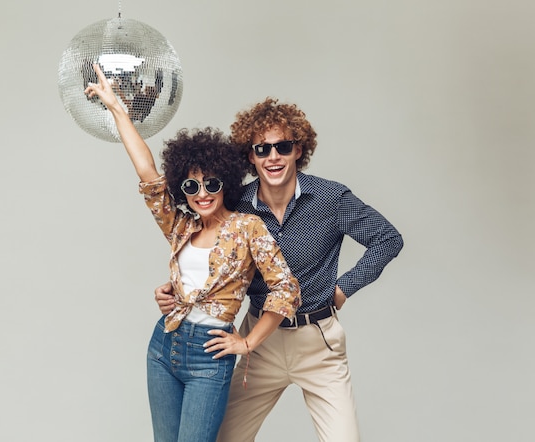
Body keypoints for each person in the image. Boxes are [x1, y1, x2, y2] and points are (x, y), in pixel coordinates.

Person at [155, 97, 404, 441]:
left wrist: (343, 288)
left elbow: (387, 238)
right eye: (262, 149)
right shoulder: (236, 204)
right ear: (250, 156)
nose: (273, 157)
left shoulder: (330, 199)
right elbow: (201, 247)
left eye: (282, 147)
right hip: (260, 342)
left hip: (318, 342)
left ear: (298, 150)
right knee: (220, 438)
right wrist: (176, 292)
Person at [84, 67, 301, 442]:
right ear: (181, 187)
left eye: (212, 184)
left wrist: (247, 343)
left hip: (209, 357)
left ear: (226, 184)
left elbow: (286, 290)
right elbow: (147, 173)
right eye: (191, 185)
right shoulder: (181, 227)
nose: (202, 193)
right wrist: (116, 107)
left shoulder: (247, 228)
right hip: (163, 346)